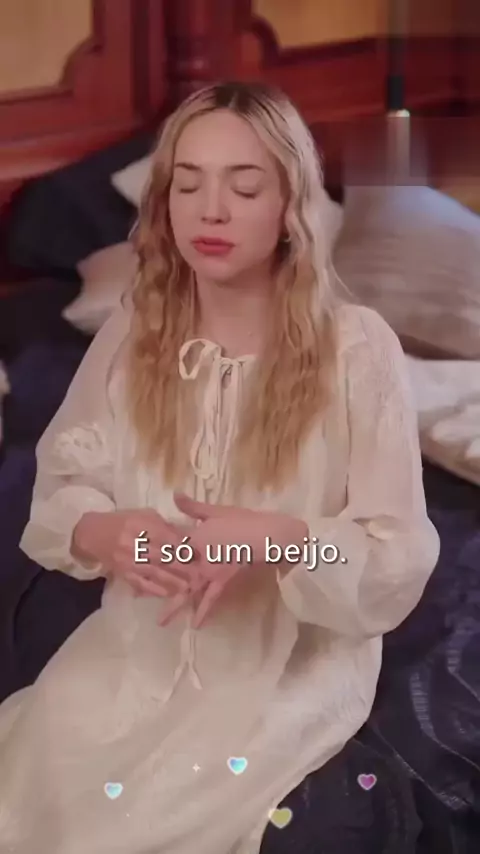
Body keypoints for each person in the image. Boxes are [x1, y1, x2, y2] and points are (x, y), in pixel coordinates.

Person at [0, 81, 439, 854]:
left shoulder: (358, 347)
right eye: (188, 184)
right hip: (132, 651)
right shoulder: (134, 331)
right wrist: (109, 533)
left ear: (289, 206)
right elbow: (65, 489)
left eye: (244, 187)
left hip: (281, 670)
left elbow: (394, 556)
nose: (211, 211)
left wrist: (274, 538)